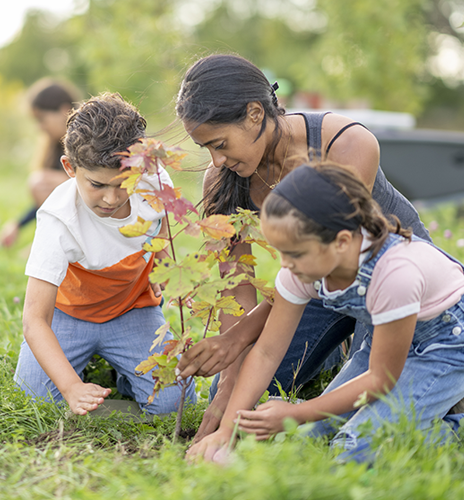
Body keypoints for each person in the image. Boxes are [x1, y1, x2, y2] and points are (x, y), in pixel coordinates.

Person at [173, 53, 432, 442]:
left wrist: (239, 339)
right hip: (311, 283)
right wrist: (229, 379)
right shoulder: (224, 177)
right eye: (206, 147)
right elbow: (237, 285)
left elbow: (332, 254)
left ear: (255, 114)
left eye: (221, 143)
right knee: (233, 396)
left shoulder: (346, 145)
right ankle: (333, 347)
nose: (217, 160)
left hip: (388, 279)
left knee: (354, 409)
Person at [186, 163, 464, 463]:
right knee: (308, 439)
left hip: (446, 345)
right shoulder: (304, 268)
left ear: (342, 241)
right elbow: (266, 352)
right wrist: (225, 433)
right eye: (281, 251)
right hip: (387, 346)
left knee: (356, 449)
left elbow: (381, 378)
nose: (286, 264)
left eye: (295, 253)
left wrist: (295, 412)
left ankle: (454, 428)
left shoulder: (396, 274)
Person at [14, 93, 196, 415]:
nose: (111, 199)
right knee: (35, 400)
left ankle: (125, 374)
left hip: (131, 310)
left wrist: (163, 267)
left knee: (174, 403)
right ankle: (83, 373)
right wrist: (71, 388)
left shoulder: (154, 183)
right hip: (69, 316)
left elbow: (163, 231)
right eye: (97, 184)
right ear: (70, 168)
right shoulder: (58, 219)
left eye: (123, 182)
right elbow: (34, 321)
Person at [0, 79, 81, 247]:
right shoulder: (55, 146)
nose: (40, 127)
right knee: (40, 182)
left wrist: (69, 182)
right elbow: (49, 200)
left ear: (65, 111)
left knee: (40, 182)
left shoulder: (85, 141)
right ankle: (51, 242)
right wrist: (17, 224)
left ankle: (57, 243)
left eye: (42, 119)